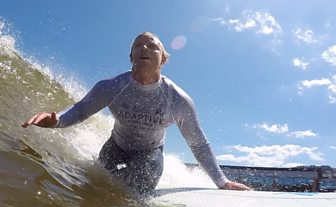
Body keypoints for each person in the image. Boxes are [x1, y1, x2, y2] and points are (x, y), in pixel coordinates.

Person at [22, 32, 250, 194]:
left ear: (164, 60)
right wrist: (57, 121)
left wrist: (221, 181)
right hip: (116, 145)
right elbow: (81, 110)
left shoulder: (177, 99)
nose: (145, 48)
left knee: (144, 178)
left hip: (150, 152)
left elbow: (198, 143)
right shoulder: (111, 87)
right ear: (131, 56)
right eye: (138, 45)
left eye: (153, 46)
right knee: (97, 179)